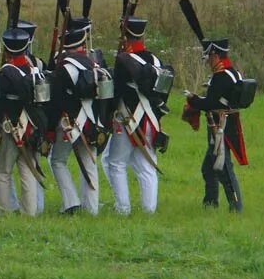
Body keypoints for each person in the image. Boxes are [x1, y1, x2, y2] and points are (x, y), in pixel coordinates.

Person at [106, 17, 169, 215]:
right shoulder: (155, 59)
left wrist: (107, 115)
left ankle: (123, 209)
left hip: (127, 118)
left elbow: (115, 91)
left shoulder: (123, 60)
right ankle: (149, 210)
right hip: (151, 119)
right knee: (147, 166)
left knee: (116, 163)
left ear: (125, 35)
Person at [184, 39, 248, 212]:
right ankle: (210, 204)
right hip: (227, 122)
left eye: (209, 57)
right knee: (209, 168)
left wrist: (192, 99)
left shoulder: (220, 76)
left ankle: (236, 207)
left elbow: (210, 104)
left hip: (220, 126)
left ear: (216, 56)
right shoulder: (232, 72)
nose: (207, 61)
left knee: (224, 169)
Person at [50, 18, 104, 215]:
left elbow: (55, 101)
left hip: (69, 123)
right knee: (90, 164)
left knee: (57, 161)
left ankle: (71, 203)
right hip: (92, 120)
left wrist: (49, 128)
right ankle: (92, 209)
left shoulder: (62, 67)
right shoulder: (93, 63)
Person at [0, 27, 45, 216]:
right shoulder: (34, 69)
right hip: (31, 127)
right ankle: (30, 212)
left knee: (1, 171)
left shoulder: (6, 72)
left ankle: (5, 210)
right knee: (28, 169)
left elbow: (0, 102)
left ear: (6, 50)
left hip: (11, 126)